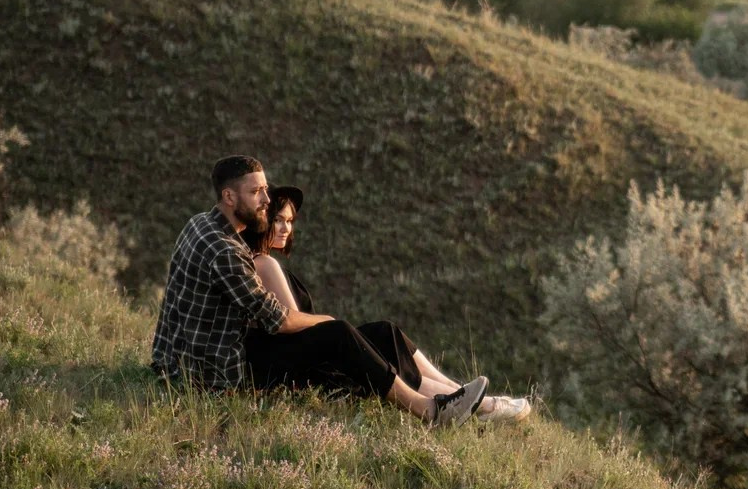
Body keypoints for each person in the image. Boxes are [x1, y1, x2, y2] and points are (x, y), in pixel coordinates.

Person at [150, 155, 487, 426]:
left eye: (265, 190)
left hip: (183, 360)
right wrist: (324, 320)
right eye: (256, 192)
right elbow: (278, 321)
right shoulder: (227, 251)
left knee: (378, 333)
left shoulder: (200, 223)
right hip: (219, 374)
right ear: (228, 196)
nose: (267, 200)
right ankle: (430, 411)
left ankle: (466, 402)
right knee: (338, 333)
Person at [241, 184, 531, 424]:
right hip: (297, 369)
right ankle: (476, 405)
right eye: (278, 219)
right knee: (358, 335)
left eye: (290, 221)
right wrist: (330, 322)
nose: (285, 228)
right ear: (262, 221)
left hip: (299, 357)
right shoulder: (264, 263)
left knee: (384, 332)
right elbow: (295, 323)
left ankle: (464, 397)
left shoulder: (265, 261)